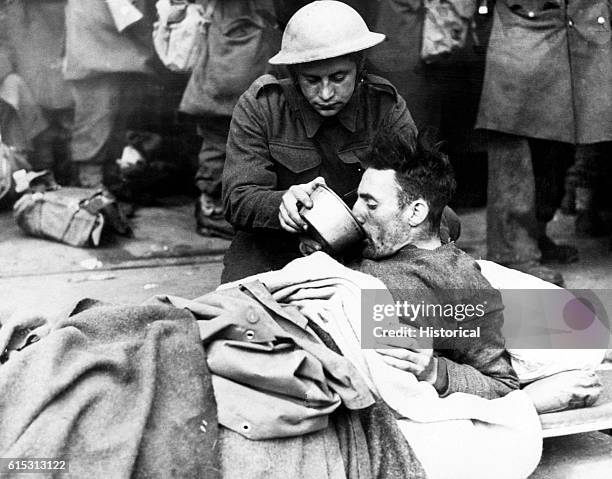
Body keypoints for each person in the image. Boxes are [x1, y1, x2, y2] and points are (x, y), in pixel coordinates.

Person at [221, 1, 429, 282]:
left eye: (339, 77)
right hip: (280, 243)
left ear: (360, 68)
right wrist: (284, 204)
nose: (327, 92)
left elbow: (417, 185)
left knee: (442, 222)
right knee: (243, 310)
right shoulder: (262, 106)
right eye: (312, 80)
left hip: (367, 238)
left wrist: (349, 234)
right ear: (294, 75)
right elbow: (239, 198)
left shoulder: (384, 105)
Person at [348, 128, 518, 398]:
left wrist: (434, 372)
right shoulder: (368, 244)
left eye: (370, 205)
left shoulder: (458, 282)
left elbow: (502, 384)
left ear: (415, 212)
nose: (355, 213)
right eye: (357, 199)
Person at [476, 0, 612, 286]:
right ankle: (511, 252)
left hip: (584, 28)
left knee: (562, 141)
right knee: (514, 139)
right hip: (523, 26)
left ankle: (535, 234)